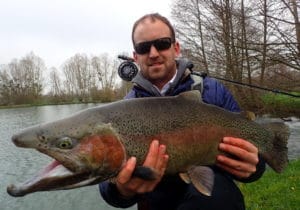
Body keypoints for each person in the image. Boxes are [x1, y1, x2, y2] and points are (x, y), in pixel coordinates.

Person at [99, 13, 266, 210]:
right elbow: (107, 180)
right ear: (136, 56)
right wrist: (120, 189)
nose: (153, 53)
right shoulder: (125, 108)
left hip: (214, 198)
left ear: (175, 48)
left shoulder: (213, 91)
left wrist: (255, 167)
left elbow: (251, 143)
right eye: (144, 48)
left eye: (162, 43)